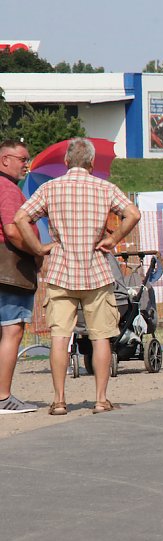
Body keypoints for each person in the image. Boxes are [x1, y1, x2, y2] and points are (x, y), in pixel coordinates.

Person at [14, 137, 141, 414]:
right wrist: (114, 238)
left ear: (66, 162)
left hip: (61, 270)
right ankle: (100, 399)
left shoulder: (50, 188)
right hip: (96, 271)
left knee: (60, 337)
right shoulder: (104, 188)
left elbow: (21, 218)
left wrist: (37, 247)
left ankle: (59, 401)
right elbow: (133, 213)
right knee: (101, 337)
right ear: (92, 163)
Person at [0, 140, 38, 414]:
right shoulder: (7, 188)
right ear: (5, 160)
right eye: (23, 159)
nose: (27, 164)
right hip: (10, 268)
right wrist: (38, 251)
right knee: (12, 330)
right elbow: (13, 230)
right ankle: (3, 397)